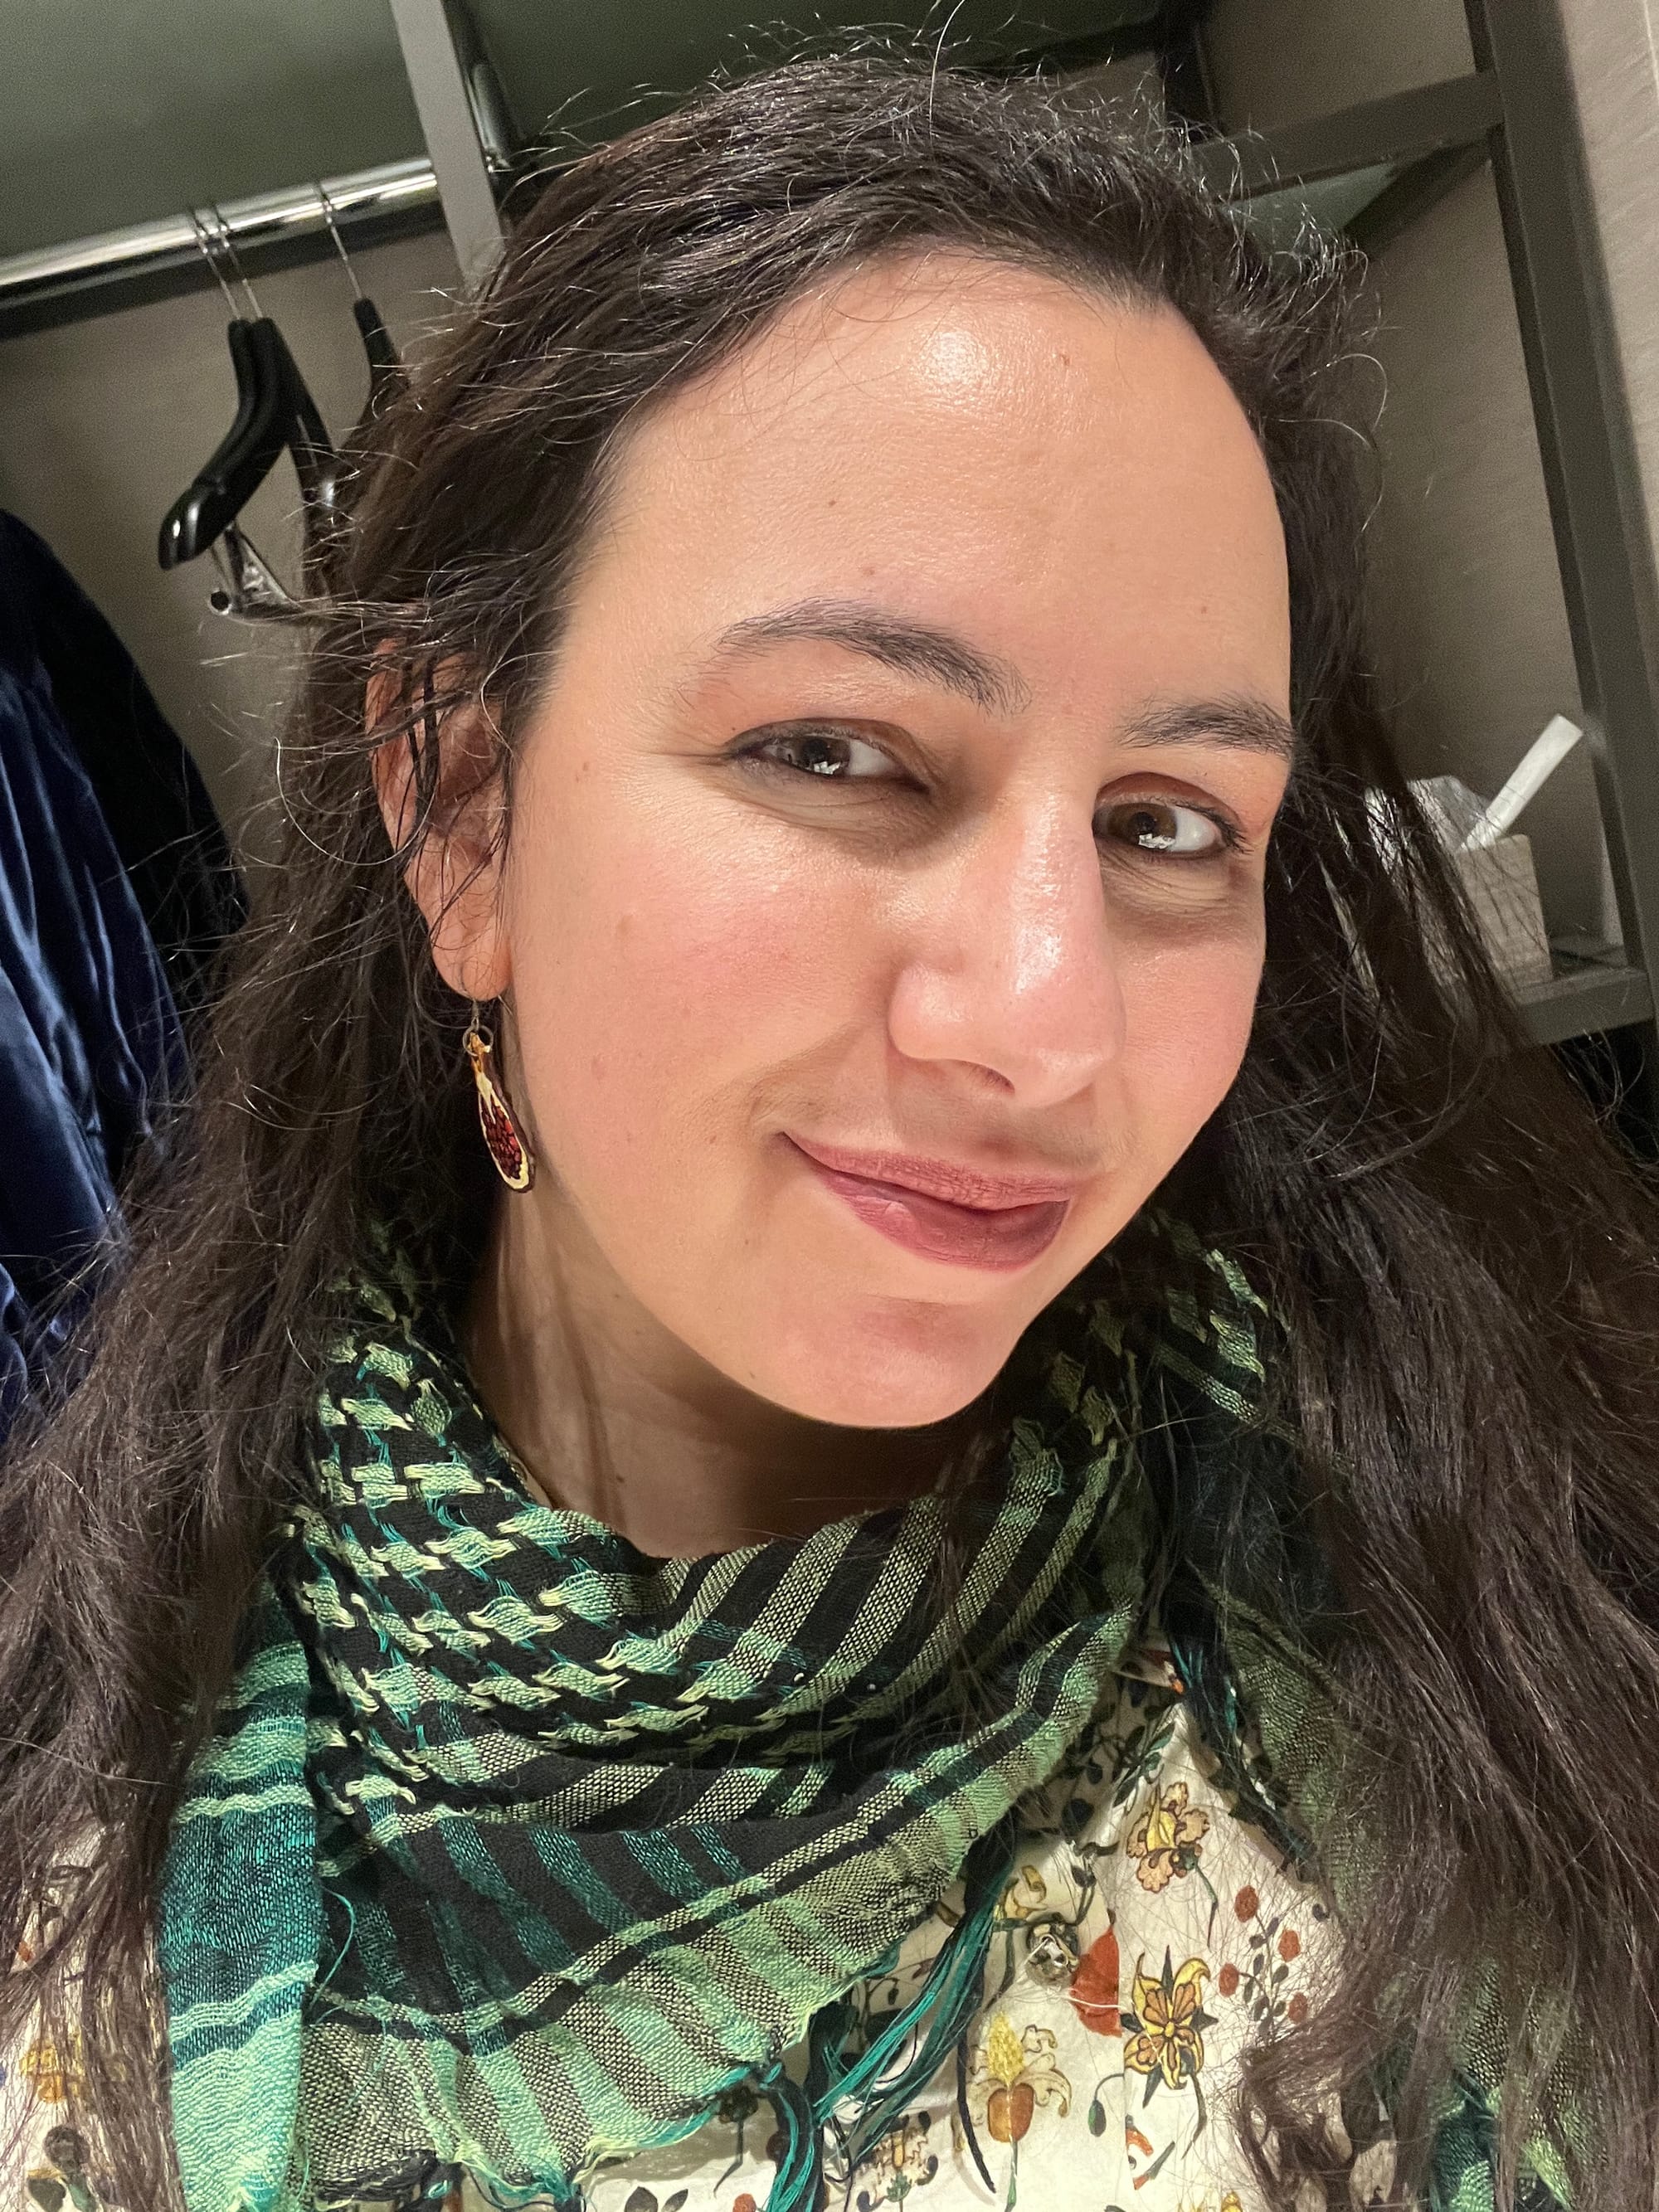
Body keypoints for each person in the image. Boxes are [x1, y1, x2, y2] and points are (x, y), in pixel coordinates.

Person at [2, 45, 1657, 2212]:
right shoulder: (78, 1892)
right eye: (842, 750)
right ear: (464, 803)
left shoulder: (1487, 1602)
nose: (1051, 1021)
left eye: (1170, 820)